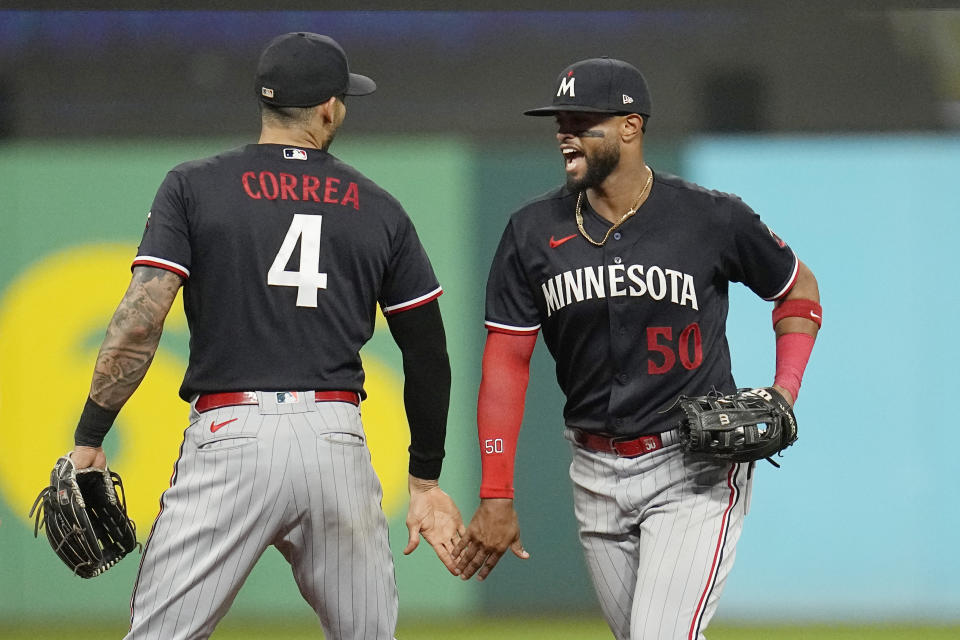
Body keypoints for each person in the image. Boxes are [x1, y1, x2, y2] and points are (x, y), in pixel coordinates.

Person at [67, 32, 463, 640]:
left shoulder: (193, 186)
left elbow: (142, 318)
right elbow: (428, 355)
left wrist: (92, 435)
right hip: (335, 440)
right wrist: (425, 480)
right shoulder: (380, 207)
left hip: (231, 436)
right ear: (329, 108)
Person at [453, 57, 821, 640]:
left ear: (630, 126)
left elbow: (796, 288)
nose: (563, 133)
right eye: (560, 121)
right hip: (594, 471)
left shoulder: (708, 216)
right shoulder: (531, 232)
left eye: (582, 120)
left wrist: (785, 390)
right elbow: (506, 361)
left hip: (692, 466)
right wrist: (496, 491)